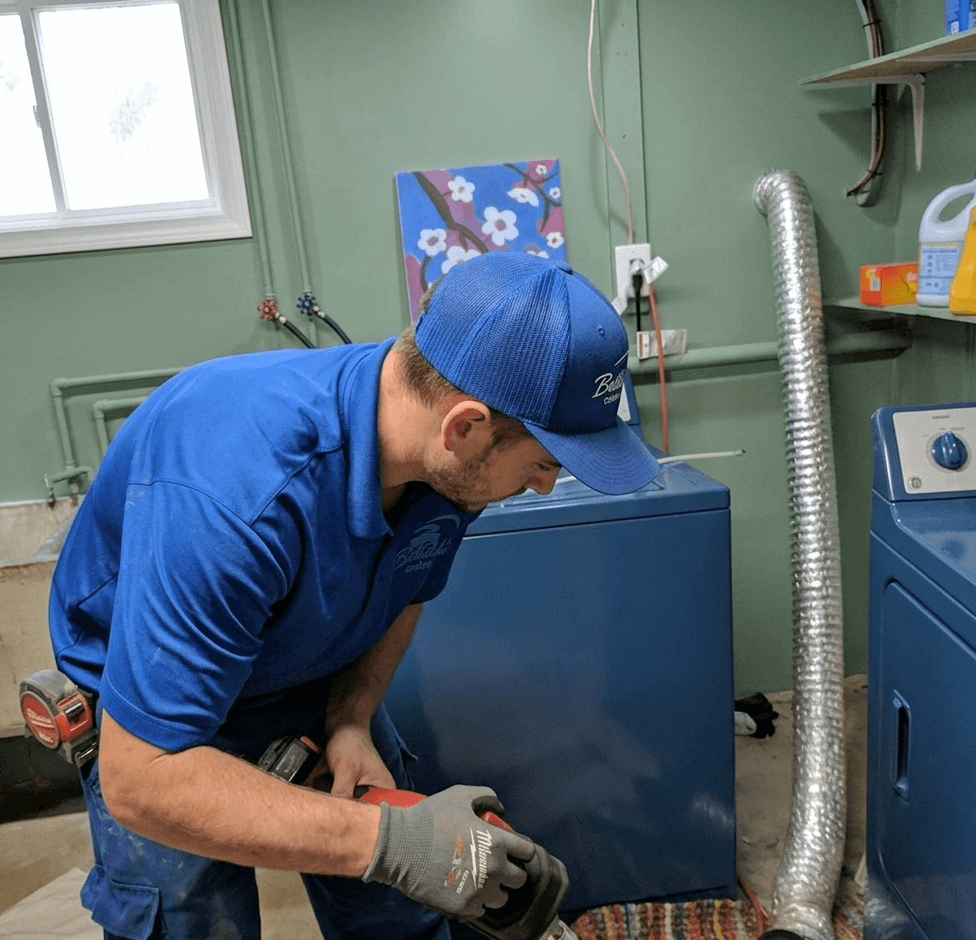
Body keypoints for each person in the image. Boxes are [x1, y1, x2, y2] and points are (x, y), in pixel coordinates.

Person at [49, 251, 659, 940]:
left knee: (405, 910)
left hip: (305, 673)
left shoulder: (443, 446)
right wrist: (390, 843)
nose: (547, 484)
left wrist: (352, 716)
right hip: (158, 710)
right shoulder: (235, 496)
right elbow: (142, 778)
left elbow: (407, 585)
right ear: (466, 427)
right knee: (195, 919)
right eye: (546, 463)